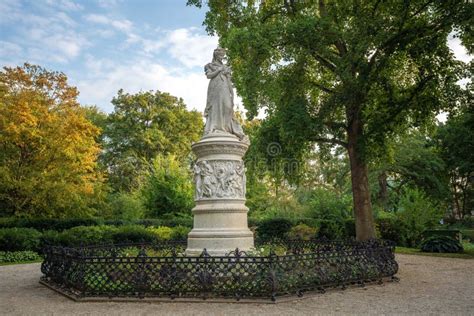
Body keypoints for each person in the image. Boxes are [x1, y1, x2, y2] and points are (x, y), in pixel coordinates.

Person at [204, 47, 245, 140]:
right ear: (215, 54)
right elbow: (209, 76)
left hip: (225, 87)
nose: (222, 57)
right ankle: (215, 127)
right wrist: (219, 70)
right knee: (216, 107)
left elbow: (229, 81)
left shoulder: (226, 67)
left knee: (227, 106)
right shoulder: (209, 65)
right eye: (220, 54)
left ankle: (226, 129)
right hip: (215, 87)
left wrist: (232, 94)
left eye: (223, 55)